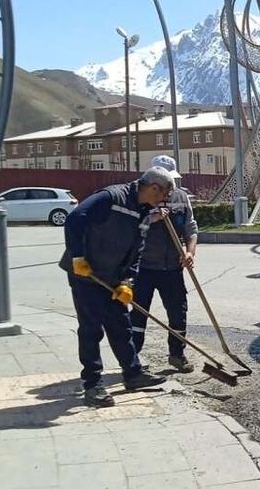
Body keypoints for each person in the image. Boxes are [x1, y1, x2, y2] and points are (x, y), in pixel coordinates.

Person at [59, 167, 174, 407]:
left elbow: (137, 250)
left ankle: (133, 374)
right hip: (86, 274)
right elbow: (75, 218)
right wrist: (77, 256)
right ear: (154, 187)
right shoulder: (111, 197)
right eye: (163, 194)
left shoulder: (144, 212)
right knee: (91, 329)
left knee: (121, 325)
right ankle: (92, 384)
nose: (163, 200)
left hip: (111, 277)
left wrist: (127, 281)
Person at [130, 155, 198, 373]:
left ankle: (177, 355)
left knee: (178, 313)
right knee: (138, 315)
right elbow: (129, 228)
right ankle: (132, 361)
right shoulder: (139, 199)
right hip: (144, 268)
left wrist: (189, 253)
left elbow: (191, 228)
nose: (168, 189)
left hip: (172, 268)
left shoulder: (181, 197)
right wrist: (151, 218)